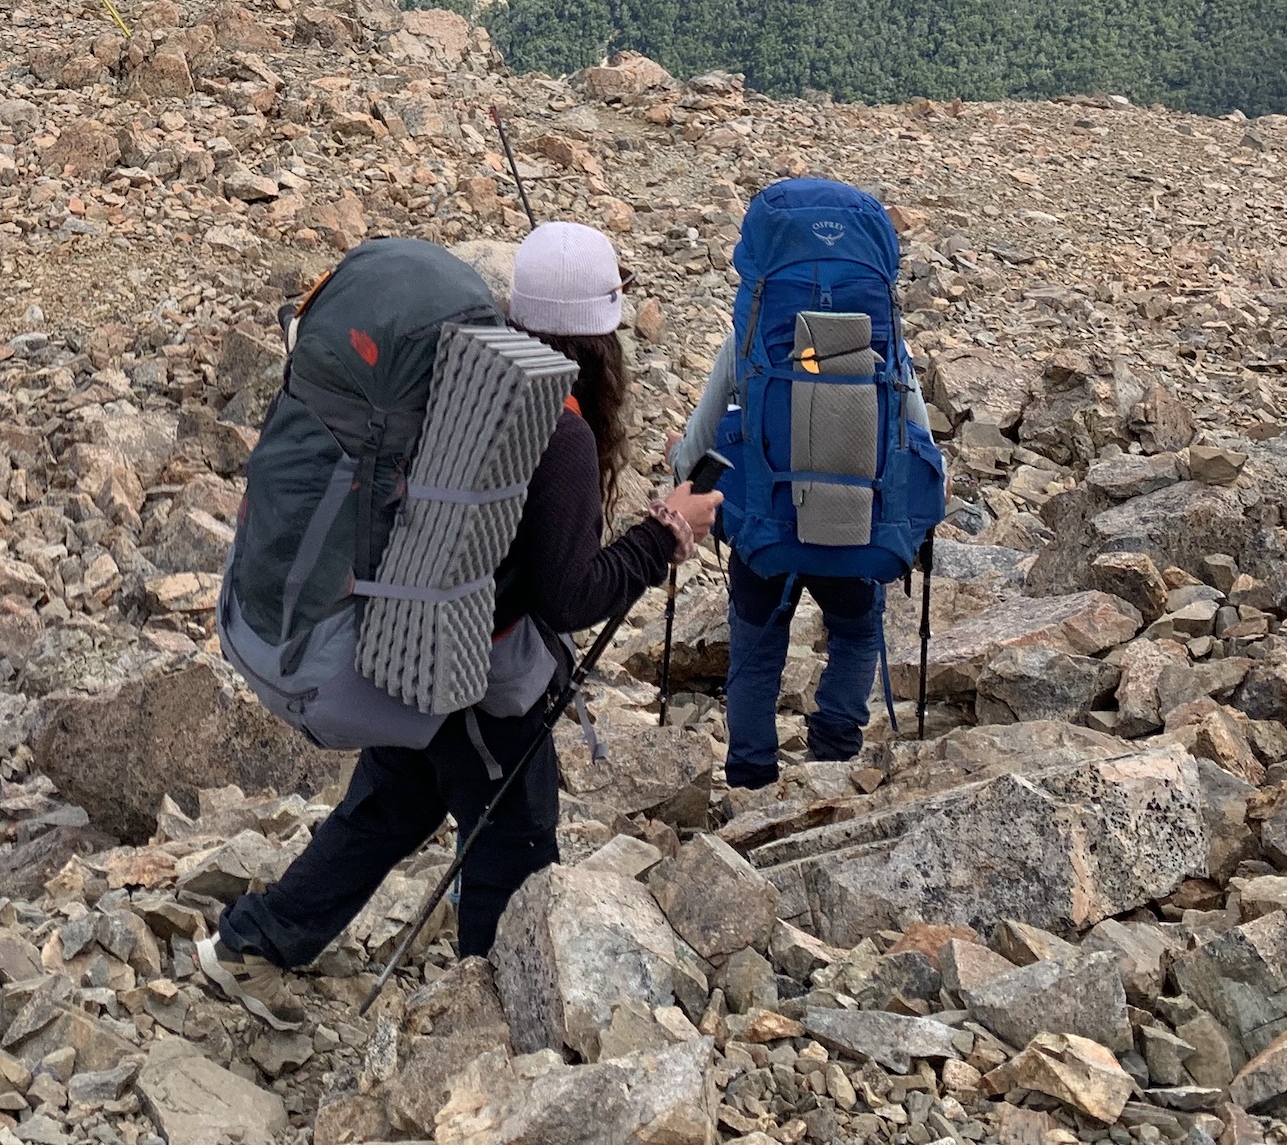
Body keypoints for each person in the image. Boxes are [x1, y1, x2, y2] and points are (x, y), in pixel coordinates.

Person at [216, 221, 723, 970]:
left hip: (404, 639)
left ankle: (253, 942)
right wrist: (666, 533)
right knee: (514, 843)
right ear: (603, 332)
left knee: (387, 809)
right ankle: (491, 1009)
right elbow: (568, 597)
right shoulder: (563, 431)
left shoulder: (463, 376)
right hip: (474, 676)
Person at [666, 341, 936, 786]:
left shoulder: (748, 334)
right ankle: (833, 758)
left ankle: (750, 777)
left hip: (765, 529)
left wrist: (677, 456)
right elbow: (919, 438)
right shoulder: (885, 336)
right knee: (855, 634)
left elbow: (696, 450)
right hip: (856, 531)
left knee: (755, 653)